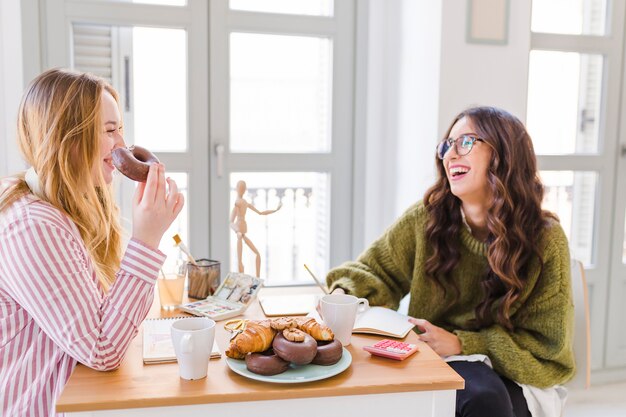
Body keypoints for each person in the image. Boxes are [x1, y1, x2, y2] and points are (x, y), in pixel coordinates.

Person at [325, 106, 574, 417]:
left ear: (504, 154)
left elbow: (546, 349)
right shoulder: (428, 217)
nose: (450, 155)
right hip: (438, 358)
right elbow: (374, 271)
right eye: (446, 145)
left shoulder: (545, 239)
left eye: (466, 142)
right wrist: (341, 296)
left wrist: (462, 343)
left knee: (485, 398)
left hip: (518, 372)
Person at [0, 69, 184, 416]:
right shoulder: (32, 226)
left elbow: (101, 315)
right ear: (69, 137)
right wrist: (147, 238)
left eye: (121, 131)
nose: (122, 146)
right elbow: (102, 347)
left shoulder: (69, 207)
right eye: (110, 131)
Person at [230, 180, 282, 277]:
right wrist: (237, 231)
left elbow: (260, 212)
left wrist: (275, 210)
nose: (242, 190)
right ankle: (242, 282)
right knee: (240, 261)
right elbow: (230, 221)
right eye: (240, 188)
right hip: (240, 234)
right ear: (237, 189)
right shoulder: (237, 203)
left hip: (243, 232)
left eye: (243, 188)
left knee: (257, 254)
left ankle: (258, 279)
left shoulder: (245, 202)